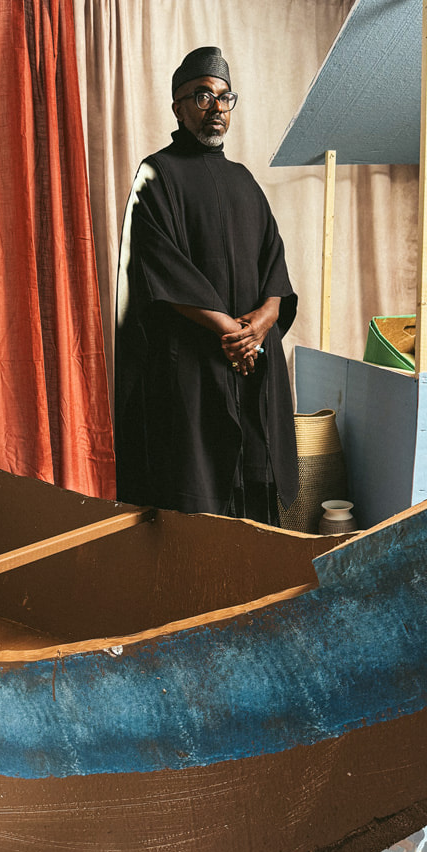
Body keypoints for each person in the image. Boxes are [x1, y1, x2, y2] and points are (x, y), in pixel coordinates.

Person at [114, 46, 298, 524]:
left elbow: (275, 266)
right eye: (202, 96)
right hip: (193, 363)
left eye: (224, 97)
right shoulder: (156, 175)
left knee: (255, 487)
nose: (216, 107)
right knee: (196, 493)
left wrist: (263, 322)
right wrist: (232, 333)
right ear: (178, 107)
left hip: (252, 360)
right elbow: (160, 266)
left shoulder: (244, 180)